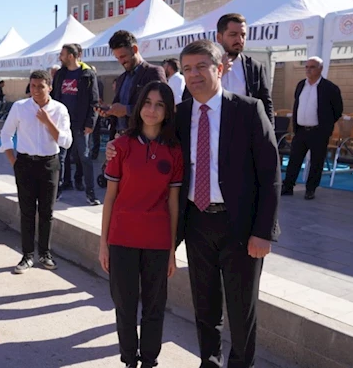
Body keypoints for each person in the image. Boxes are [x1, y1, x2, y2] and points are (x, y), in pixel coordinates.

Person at [107, 39, 280, 368]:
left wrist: (263, 231)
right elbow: (147, 136)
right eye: (187, 68)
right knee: (205, 307)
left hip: (240, 227)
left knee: (242, 310)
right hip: (197, 223)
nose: (194, 74)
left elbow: (270, 174)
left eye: (202, 66)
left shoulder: (248, 110)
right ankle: (209, 363)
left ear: (220, 68)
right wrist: (116, 146)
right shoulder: (180, 114)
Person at [100, 81, 181, 368]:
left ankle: (149, 360)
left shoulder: (175, 151)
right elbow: (110, 197)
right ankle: (129, 360)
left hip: (157, 240)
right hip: (122, 238)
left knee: (154, 308)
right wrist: (103, 244)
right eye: (147, 102)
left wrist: (171, 250)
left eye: (159, 105)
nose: (152, 110)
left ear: (168, 111)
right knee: (124, 306)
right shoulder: (120, 146)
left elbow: (173, 203)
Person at [0, 70, 72, 274]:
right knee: (27, 211)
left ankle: (45, 253)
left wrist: (48, 121)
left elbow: (66, 141)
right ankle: (27, 255)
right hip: (25, 163)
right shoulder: (20, 107)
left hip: (49, 164)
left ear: (50, 87)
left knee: (47, 212)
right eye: (33, 86)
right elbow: (6, 134)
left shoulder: (59, 109)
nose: (36, 90)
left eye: (41, 86)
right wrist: (13, 161)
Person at [281, 57, 343, 200]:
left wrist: (326, 125)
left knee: (316, 162)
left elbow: (338, 110)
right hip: (301, 130)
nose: (308, 70)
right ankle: (288, 186)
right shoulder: (301, 85)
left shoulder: (330, 88)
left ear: (320, 69)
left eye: (312, 67)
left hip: (318, 132)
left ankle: (310, 189)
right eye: (307, 67)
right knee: (294, 159)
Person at [52, 43, 101, 206]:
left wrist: (90, 123)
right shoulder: (60, 74)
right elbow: (54, 97)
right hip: (61, 124)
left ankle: (90, 193)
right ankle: (57, 191)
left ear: (71, 56)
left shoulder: (87, 74)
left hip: (80, 124)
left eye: (62, 54)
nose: (60, 57)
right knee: (60, 158)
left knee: (85, 158)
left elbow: (94, 100)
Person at [101, 30, 166, 134]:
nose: (121, 61)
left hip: (142, 136)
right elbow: (119, 109)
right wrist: (109, 110)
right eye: (117, 58)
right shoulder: (121, 78)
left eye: (123, 56)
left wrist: (126, 110)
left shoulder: (153, 72)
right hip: (120, 136)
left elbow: (162, 107)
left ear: (135, 49)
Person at [215, 13, 274, 124]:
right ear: (219, 37)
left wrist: (269, 131)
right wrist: (217, 74)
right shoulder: (206, 65)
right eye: (233, 34)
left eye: (243, 35)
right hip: (213, 127)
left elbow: (266, 103)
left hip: (244, 128)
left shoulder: (254, 67)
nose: (239, 39)